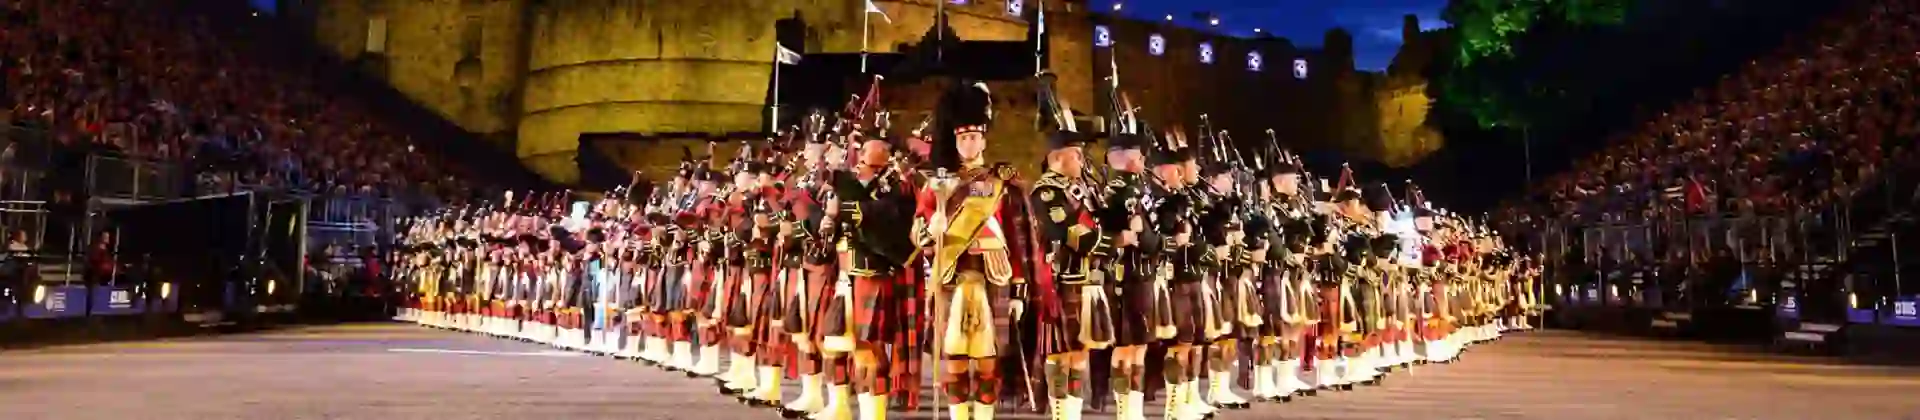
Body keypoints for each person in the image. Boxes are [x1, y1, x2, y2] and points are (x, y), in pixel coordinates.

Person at [917, 79, 1046, 420]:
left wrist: (1019, 291)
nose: (969, 144)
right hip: (951, 274)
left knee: (990, 357)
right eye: (962, 138)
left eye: (974, 137)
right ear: (955, 141)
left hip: (996, 272)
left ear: (984, 139)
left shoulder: (1002, 182)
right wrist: (931, 230)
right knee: (954, 357)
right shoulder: (938, 184)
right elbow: (918, 232)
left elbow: (1019, 241)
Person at [1028, 73, 1110, 420]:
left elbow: (1101, 223)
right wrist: (1108, 242)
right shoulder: (1045, 192)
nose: (1083, 162)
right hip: (1060, 281)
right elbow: (1067, 232)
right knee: (1060, 353)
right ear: (1059, 157)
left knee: (1081, 352)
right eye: (1078, 155)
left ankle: (1072, 412)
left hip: (1087, 281)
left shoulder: (1085, 188)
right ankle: (1061, 412)